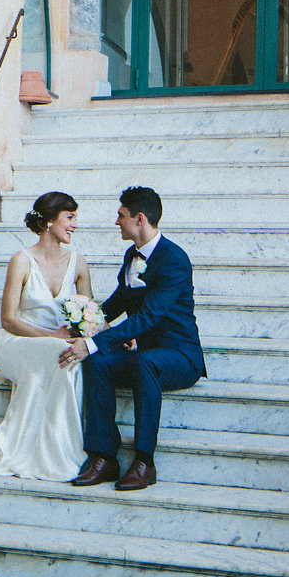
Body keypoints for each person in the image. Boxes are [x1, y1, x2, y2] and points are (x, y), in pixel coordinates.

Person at [0, 189, 97, 481]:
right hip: (18, 341)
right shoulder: (22, 261)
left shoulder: (78, 263)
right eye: (70, 217)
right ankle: (58, 455)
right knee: (58, 352)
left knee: (68, 354)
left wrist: (83, 334)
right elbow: (8, 319)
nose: (75, 224)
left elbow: (89, 313)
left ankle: (62, 447)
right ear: (49, 221)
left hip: (56, 341)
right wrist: (49, 335)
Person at [63, 185, 205, 491]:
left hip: (179, 355)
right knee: (98, 362)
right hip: (144, 351)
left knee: (142, 363)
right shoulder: (132, 254)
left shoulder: (174, 259)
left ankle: (144, 462)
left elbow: (148, 317)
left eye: (121, 215)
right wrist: (85, 320)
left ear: (139, 219)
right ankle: (104, 457)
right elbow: (119, 302)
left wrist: (92, 342)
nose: (117, 222)